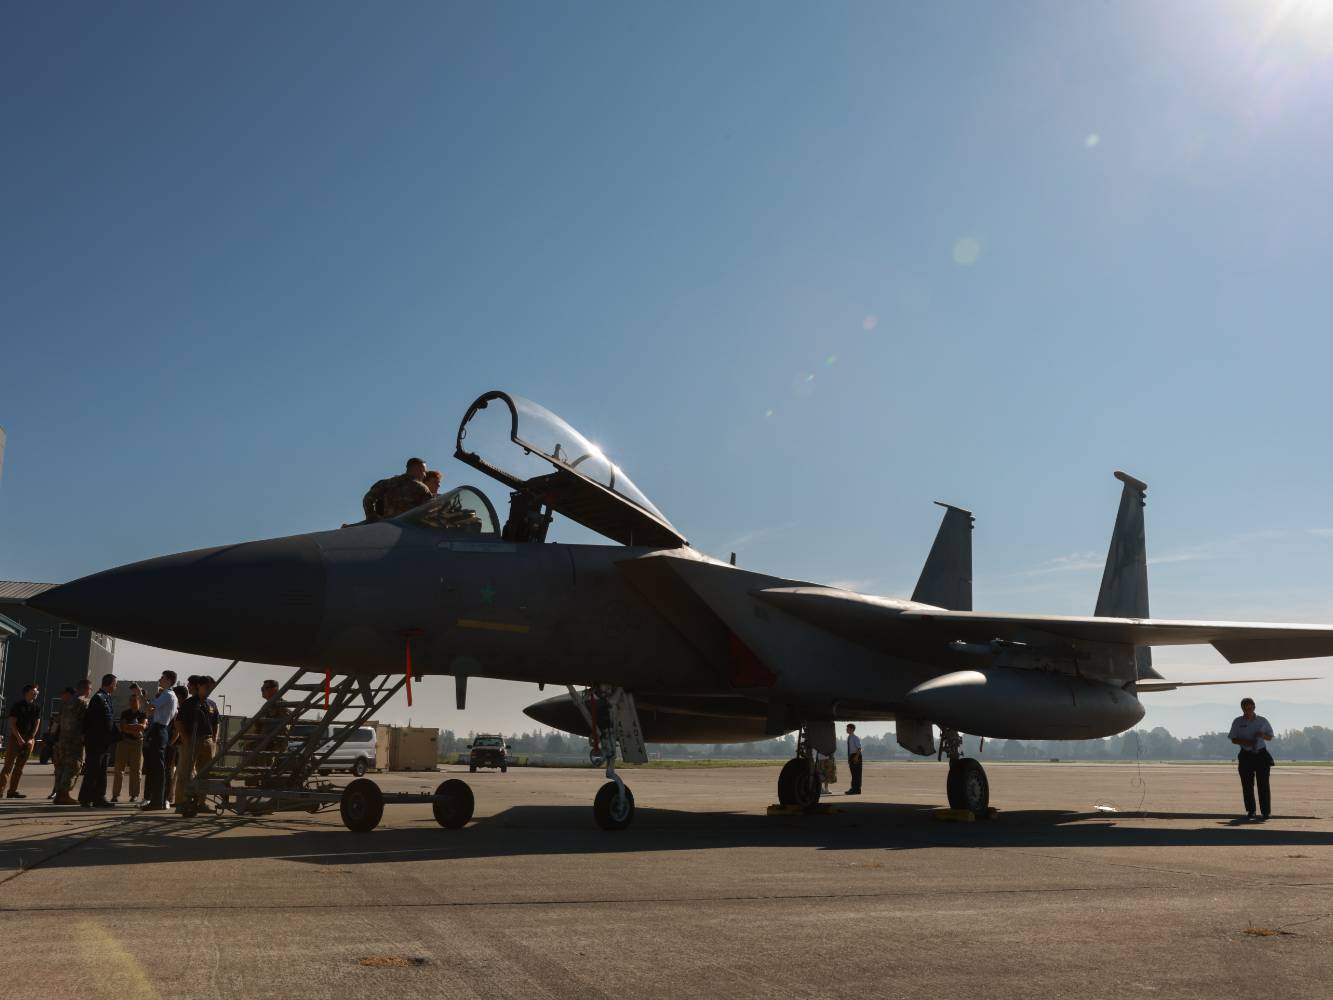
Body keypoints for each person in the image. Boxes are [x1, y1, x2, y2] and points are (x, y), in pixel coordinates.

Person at [174, 675, 219, 812]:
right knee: (186, 773)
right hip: (193, 740)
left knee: (205, 773)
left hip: (208, 740)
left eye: (211, 688)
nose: (209, 690)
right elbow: (178, 722)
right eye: (206, 687)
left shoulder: (211, 704)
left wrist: (214, 740)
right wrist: (186, 739)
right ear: (199, 687)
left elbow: (216, 722)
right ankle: (182, 803)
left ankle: (201, 803)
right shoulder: (190, 703)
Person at [1229, 697, 1276, 821]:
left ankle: (1266, 812)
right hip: (1246, 755)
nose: (1248, 711)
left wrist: (1262, 735)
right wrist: (1246, 742)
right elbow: (1233, 739)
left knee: (1263, 785)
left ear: (1254, 707)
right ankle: (1251, 810)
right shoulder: (1237, 722)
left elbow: (1270, 737)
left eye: (1250, 708)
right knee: (1247, 785)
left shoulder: (1262, 721)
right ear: (1242, 709)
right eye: (1245, 709)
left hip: (1261, 755)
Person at [78, 674, 118, 808]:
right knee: (93, 770)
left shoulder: (107, 698)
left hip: (104, 742)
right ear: (110, 684)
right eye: (115, 684)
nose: (116, 687)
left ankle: (99, 797)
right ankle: (85, 798)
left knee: (101, 771)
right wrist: (85, 736)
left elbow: (109, 721)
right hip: (96, 741)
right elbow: (89, 720)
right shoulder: (98, 698)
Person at [141, 670, 178, 811]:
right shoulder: (172, 696)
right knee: (159, 768)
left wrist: (141, 696)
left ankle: (157, 801)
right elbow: (150, 711)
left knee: (157, 768)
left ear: (168, 680)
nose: (160, 679)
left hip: (159, 729)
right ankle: (160, 800)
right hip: (163, 730)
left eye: (162, 678)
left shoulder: (166, 694)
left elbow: (148, 708)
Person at [1, 684, 42, 798]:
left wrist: (30, 738)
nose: (36, 693)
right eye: (34, 691)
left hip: (29, 739)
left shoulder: (36, 707)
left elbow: (37, 724)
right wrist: (19, 738)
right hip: (16, 737)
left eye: (37, 691)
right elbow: (12, 723)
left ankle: (12, 791)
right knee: (8, 766)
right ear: (27, 692)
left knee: (19, 767)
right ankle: (0, 790)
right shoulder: (18, 706)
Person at [53, 680, 91, 805]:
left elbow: (57, 719)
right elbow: (86, 722)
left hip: (63, 739)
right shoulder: (82, 703)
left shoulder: (66, 702)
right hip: (75, 741)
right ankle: (64, 794)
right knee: (74, 767)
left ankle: (59, 794)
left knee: (61, 767)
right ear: (86, 689)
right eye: (90, 689)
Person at [362, 457, 432, 521]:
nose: (424, 475)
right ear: (416, 470)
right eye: (423, 471)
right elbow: (429, 510)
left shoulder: (388, 483)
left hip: (388, 526)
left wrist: (371, 517)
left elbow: (368, 498)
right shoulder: (422, 488)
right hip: (409, 528)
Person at [111, 691, 148, 803]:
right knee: (119, 769)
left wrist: (131, 728)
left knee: (136, 771)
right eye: (130, 700)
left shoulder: (142, 714)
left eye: (134, 700)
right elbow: (123, 727)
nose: (132, 703)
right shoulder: (125, 713)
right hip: (124, 742)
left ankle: (134, 795)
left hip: (137, 744)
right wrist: (135, 728)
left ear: (139, 702)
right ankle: (115, 795)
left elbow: (143, 726)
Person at [47, 687, 75, 799]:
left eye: (63, 694)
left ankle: (63, 792)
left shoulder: (75, 707)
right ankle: (56, 790)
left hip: (69, 743)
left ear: (69, 695)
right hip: (59, 742)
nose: (62, 696)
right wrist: (51, 739)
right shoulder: (62, 708)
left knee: (67, 769)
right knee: (58, 768)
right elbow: (55, 725)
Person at [844, 723, 863, 795]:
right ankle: (855, 789)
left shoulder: (855, 738)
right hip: (852, 756)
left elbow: (859, 748)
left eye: (848, 728)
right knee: (854, 773)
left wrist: (856, 757)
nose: (846, 730)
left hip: (856, 755)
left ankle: (855, 789)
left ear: (852, 729)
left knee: (857, 773)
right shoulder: (849, 737)